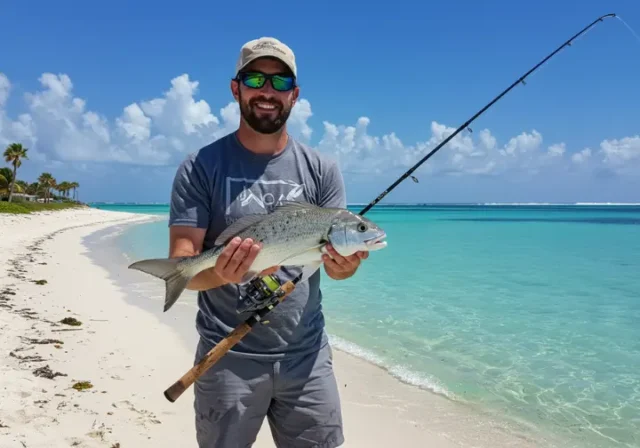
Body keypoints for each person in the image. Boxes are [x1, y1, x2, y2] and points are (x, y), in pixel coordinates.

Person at [168, 36, 369, 448]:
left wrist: (345, 267)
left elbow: (333, 268)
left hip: (308, 358)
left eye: (280, 82)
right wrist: (222, 274)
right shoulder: (200, 167)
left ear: (294, 95)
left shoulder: (322, 169)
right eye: (256, 78)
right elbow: (184, 266)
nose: (267, 91)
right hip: (226, 358)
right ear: (235, 87)